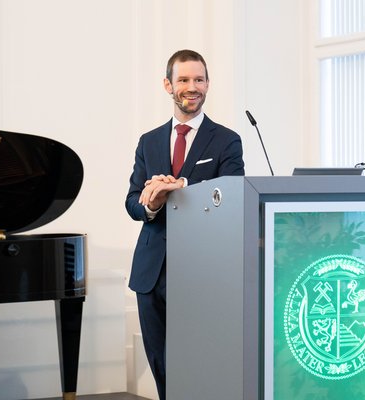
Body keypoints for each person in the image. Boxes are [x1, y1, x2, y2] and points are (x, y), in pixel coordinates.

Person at [125, 49, 245, 400]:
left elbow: (233, 200)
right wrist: (151, 203)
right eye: (184, 80)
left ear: (207, 84)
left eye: (199, 79)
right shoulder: (148, 141)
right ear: (168, 85)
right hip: (151, 272)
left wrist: (183, 190)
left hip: (202, 272)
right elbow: (132, 202)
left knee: (201, 362)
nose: (192, 87)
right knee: (161, 363)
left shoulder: (226, 140)